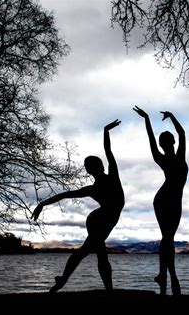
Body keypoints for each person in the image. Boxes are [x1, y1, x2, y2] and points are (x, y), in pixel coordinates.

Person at [31, 120, 124, 293]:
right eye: (91, 167)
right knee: (97, 252)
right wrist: (42, 204)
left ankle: (63, 280)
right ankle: (103, 289)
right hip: (99, 219)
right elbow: (65, 194)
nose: (93, 168)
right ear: (94, 169)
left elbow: (108, 151)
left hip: (101, 217)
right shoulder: (97, 186)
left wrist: (105, 131)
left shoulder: (108, 179)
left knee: (90, 251)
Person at [133, 106, 188, 296]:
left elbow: (155, 138)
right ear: (171, 142)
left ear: (165, 143)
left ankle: (163, 275)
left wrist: (147, 119)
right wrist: (171, 116)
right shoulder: (175, 156)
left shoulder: (167, 157)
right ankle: (170, 276)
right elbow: (182, 133)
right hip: (166, 200)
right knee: (168, 239)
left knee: (167, 239)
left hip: (168, 199)